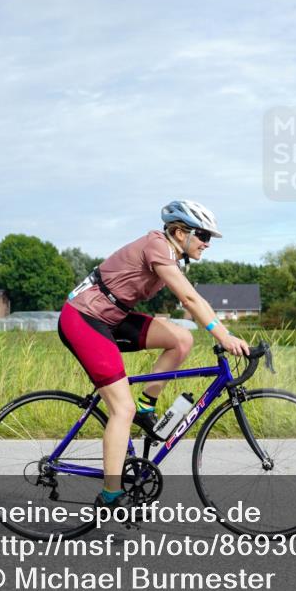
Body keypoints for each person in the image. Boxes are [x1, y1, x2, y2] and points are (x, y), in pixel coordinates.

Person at [56, 200, 251, 508]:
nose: (206, 244)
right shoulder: (157, 246)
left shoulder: (172, 255)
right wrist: (224, 335)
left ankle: (147, 407)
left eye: (209, 238)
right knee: (122, 410)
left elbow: (188, 299)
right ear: (178, 231)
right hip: (83, 318)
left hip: (114, 316)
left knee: (181, 340)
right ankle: (110, 494)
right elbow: (189, 297)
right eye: (202, 236)